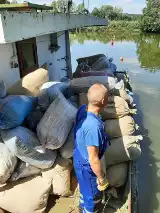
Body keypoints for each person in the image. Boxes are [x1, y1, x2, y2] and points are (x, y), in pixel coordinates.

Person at [73, 83, 110, 213]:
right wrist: (101, 179)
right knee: (93, 198)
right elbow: (93, 159)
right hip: (87, 166)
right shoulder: (93, 127)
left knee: (84, 190)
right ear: (103, 101)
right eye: (108, 96)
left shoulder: (83, 109)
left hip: (78, 156)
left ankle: (82, 207)